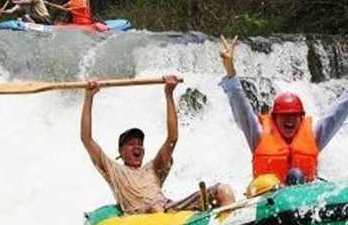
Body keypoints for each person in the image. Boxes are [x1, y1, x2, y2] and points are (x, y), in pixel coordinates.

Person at [218, 36, 348, 188]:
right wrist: (230, 73)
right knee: (292, 175)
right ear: (275, 118)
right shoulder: (258, 134)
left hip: (302, 199)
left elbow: (337, 112)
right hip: (266, 201)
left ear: (301, 118)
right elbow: (242, 108)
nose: (290, 120)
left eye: (294, 116)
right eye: (285, 116)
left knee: (296, 175)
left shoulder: (314, 136)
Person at [80, 76, 235, 214]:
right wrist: (89, 97)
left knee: (223, 190)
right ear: (120, 151)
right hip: (142, 217)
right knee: (155, 209)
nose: (137, 147)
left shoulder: (153, 168)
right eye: (131, 144)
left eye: (140, 144)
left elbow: (172, 138)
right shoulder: (113, 170)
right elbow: (86, 139)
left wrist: (168, 93)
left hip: (168, 209)